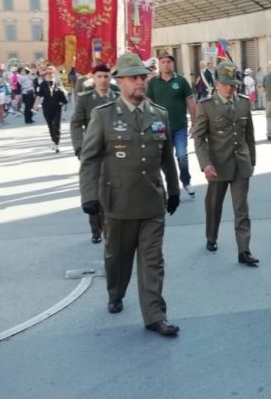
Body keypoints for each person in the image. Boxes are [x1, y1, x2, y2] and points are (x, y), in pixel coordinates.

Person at [78, 53, 180, 337]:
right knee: (117, 258)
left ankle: (155, 315)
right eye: (133, 78)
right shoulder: (104, 115)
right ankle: (116, 292)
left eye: (142, 77)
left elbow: (167, 158)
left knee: (152, 259)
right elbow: (90, 159)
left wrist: (173, 190)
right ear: (119, 82)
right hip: (118, 203)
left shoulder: (158, 113)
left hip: (151, 201)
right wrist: (89, 195)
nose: (140, 82)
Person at [192, 61, 258, 265]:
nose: (231, 88)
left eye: (234, 84)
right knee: (214, 205)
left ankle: (244, 250)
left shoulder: (244, 103)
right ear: (217, 83)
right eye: (227, 83)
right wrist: (205, 164)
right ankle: (211, 236)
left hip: (240, 164)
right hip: (218, 165)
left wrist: (252, 160)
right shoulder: (206, 106)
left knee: (241, 209)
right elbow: (199, 137)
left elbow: (250, 135)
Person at [71, 64, 118, 244]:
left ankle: (109, 226)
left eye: (106, 77)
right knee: (94, 188)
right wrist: (79, 146)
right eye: (99, 77)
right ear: (93, 78)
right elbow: (76, 124)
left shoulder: (117, 97)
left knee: (110, 188)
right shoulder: (85, 99)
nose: (103, 80)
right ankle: (95, 227)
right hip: (92, 150)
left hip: (113, 150)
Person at [146, 53, 197, 197]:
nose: (166, 64)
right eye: (163, 62)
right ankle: (169, 187)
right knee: (163, 158)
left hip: (179, 126)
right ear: (159, 65)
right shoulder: (153, 82)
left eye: (169, 62)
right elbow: (148, 104)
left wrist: (194, 123)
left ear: (172, 64)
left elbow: (191, 102)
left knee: (181, 155)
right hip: (159, 127)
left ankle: (186, 181)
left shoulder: (180, 81)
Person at [36, 66, 69, 153]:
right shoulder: (43, 84)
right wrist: (36, 104)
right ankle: (54, 141)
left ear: (54, 73)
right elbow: (39, 95)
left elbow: (65, 94)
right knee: (50, 126)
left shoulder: (58, 83)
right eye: (47, 73)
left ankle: (57, 144)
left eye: (51, 73)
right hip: (46, 107)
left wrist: (63, 92)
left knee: (57, 126)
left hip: (57, 107)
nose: (49, 74)